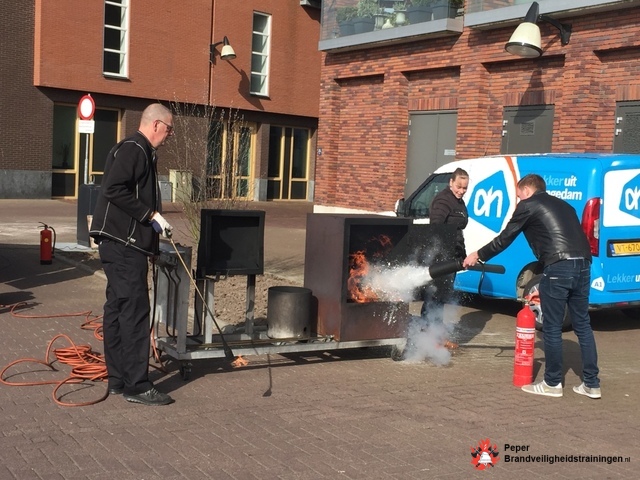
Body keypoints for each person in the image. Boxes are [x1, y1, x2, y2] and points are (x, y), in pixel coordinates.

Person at [463, 173, 600, 399]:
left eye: (519, 195)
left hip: (559, 266)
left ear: (527, 190)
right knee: (583, 325)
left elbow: (505, 237)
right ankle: (592, 384)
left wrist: (479, 255)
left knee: (552, 327)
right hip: (584, 265)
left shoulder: (529, 205)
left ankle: (552, 383)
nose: (519, 201)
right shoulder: (565, 206)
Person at [90, 103, 175, 406]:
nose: (168, 136)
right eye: (169, 129)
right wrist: (149, 214)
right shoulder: (135, 149)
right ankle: (136, 385)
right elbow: (113, 188)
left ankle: (118, 379)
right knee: (135, 312)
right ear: (155, 125)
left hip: (119, 245)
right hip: (124, 246)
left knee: (116, 308)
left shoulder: (136, 150)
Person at [421, 168, 469, 350]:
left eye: (465, 188)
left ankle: (437, 337)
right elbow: (436, 229)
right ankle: (427, 338)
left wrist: (460, 254)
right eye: (459, 186)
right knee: (433, 298)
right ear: (451, 182)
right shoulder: (443, 201)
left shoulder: (459, 203)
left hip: (452, 256)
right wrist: (442, 256)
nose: (461, 191)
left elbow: (458, 231)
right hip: (441, 258)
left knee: (441, 300)